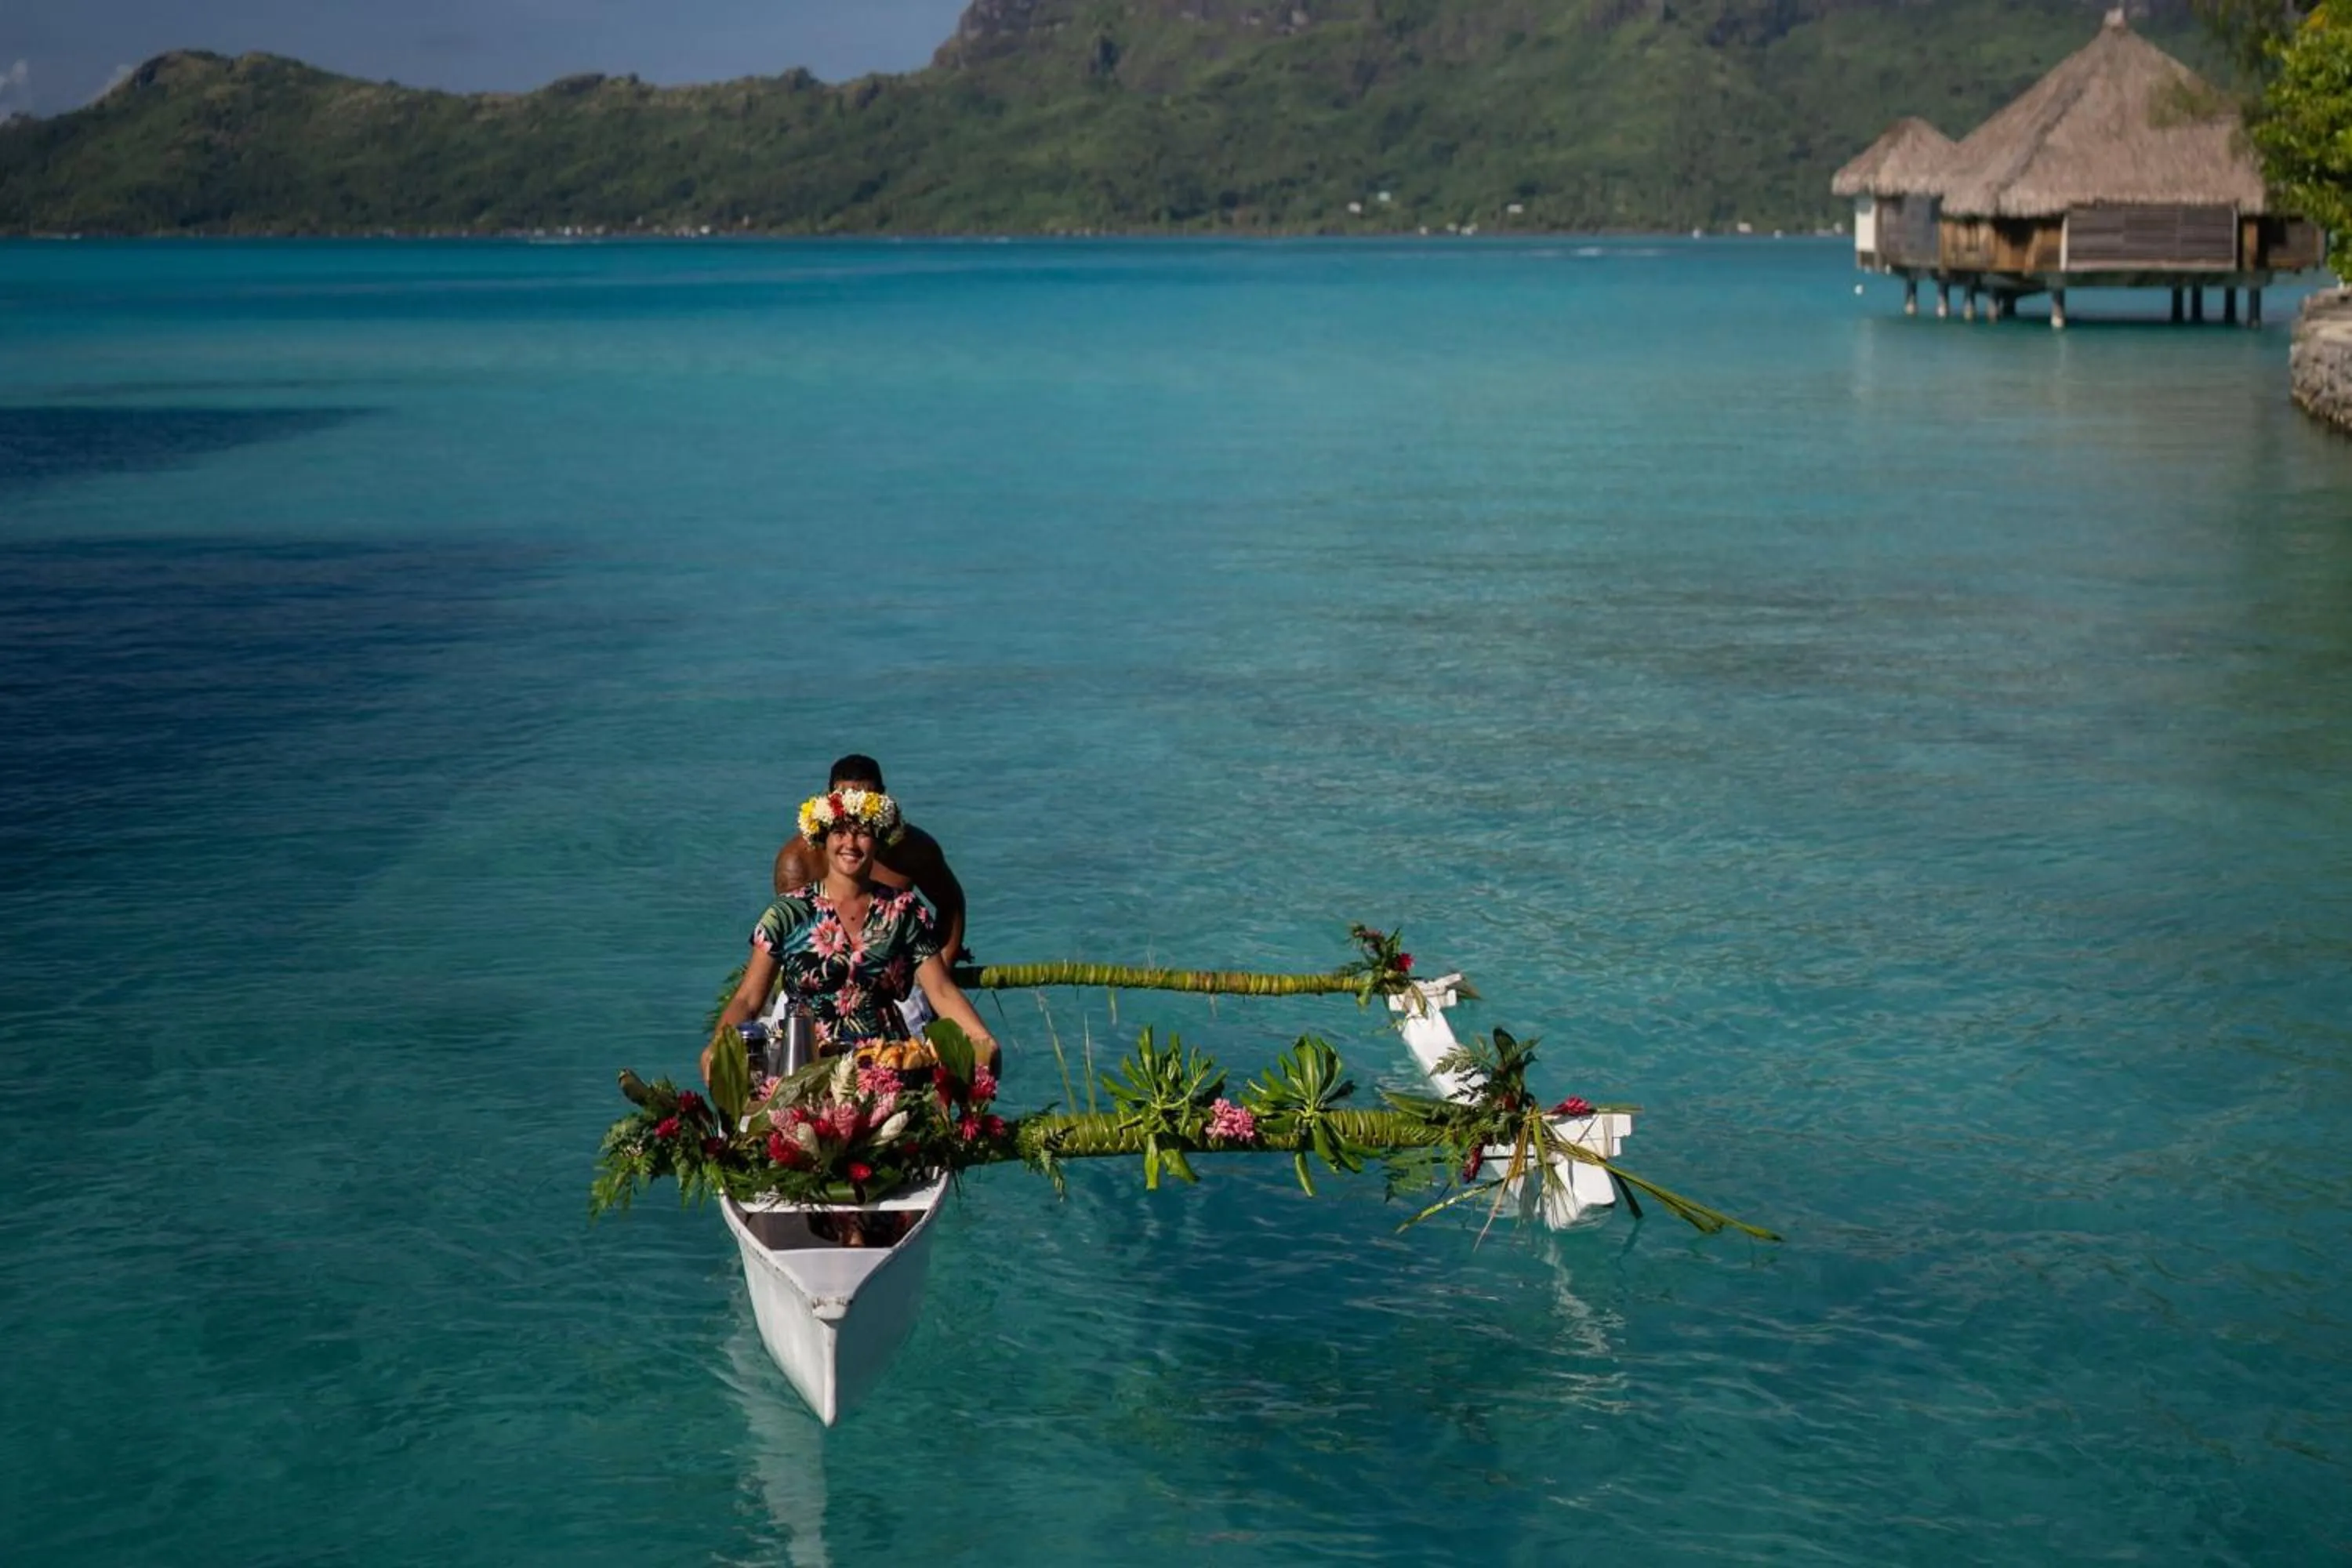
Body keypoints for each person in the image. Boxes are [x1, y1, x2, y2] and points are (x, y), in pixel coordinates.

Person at [707, 784, 998, 1086]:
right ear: (823, 838)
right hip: (803, 1070)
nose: (850, 843)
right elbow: (748, 998)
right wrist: (719, 1047)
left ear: (878, 841)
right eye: (840, 833)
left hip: (889, 1071)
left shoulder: (903, 910)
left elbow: (941, 990)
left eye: (862, 834)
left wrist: (981, 1038)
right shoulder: (787, 913)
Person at [774, 754, 967, 965]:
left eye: (865, 802)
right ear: (829, 803)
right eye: (846, 800)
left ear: (882, 800)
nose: (856, 814)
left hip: (895, 974)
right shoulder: (799, 859)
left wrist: (940, 971)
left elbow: (951, 906)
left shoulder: (914, 850)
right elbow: (789, 933)